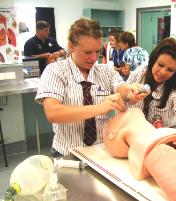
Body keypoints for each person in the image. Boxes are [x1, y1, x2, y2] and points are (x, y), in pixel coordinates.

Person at [35, 18, 146, 157]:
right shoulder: (55, 71)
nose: (93, 58)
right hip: (66, 152)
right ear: (71, 46)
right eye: (87, 52)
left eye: (97, 51)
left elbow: (121, 88)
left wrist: (130, 91)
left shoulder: (105, 71)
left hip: (101, 151)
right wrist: (99, 108)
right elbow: (53, 113)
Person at [126, 37, 176, 140]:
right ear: (153, 60)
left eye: (170, 70)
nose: (163, 72)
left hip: (163, 140)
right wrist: (128, 98)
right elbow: (122, 99)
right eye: (160, 65)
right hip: (134, 137)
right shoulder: (137, 76)